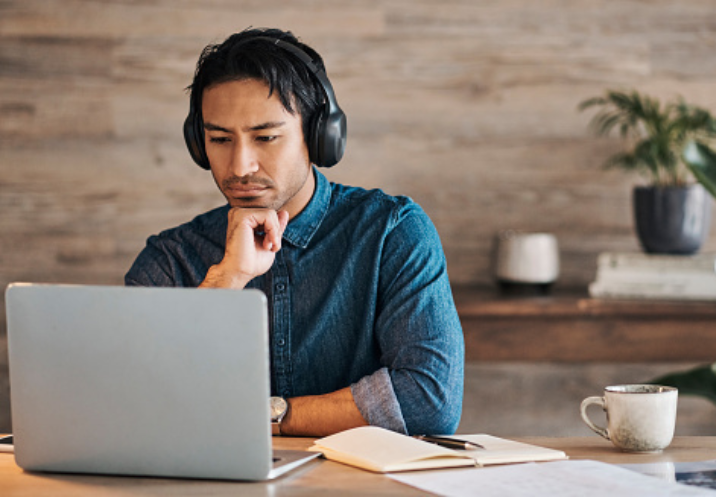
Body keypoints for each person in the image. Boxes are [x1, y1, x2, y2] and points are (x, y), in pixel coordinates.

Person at [125, 28, 464, 437]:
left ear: (320, 135)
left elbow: (429, 400)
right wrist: (226, 280)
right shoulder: (170, 258)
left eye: (265, 137)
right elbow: (136, 401)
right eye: (218, 139)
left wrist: (269, 414)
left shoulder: (392, 232)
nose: (240, 166)